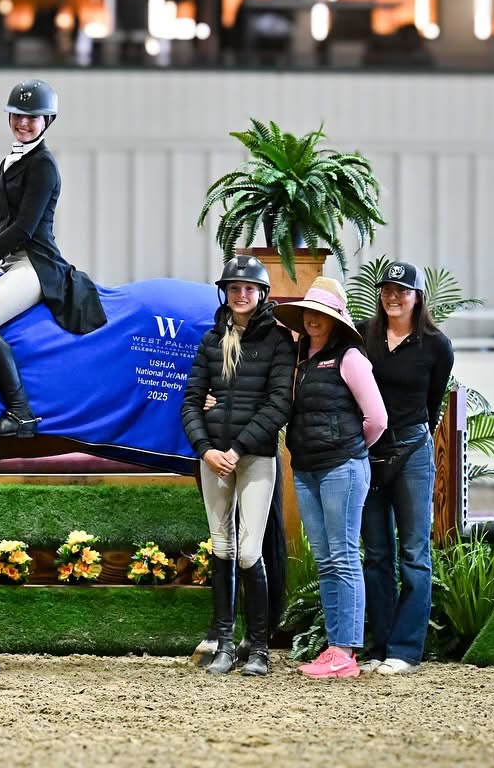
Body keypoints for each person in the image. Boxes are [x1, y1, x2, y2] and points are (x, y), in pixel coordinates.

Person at [0, 79, 107, 438]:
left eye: (31, 117)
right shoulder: (10, 161)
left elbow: (22, 229)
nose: (22, 123)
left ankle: (20, 412)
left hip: (35, 264)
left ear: (47, 120)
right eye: (17, 115)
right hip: (11, 261)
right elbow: (1, 225)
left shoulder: (43, 165)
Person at [180, 256, 295, 677]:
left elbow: (279, 403)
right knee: (221, 547)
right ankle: (225, 644)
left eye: (248, 289)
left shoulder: (279, 342)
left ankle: (259, 646)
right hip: (213, 458)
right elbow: (191, 401)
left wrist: (238, 448)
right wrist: (206, 449)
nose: (241, 294)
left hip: (255, 457)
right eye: (234, 288)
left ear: (262, 294)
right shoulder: (212, 341)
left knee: (249, 551)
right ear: (225, 294)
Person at [274, 276, 387, 679]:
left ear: (335, 319)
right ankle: (336, 647)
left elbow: (377, 419)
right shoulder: (300, 360)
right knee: (325, 559)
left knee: (343, 556)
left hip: (342, 467)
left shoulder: (350, 357)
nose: (312, 319)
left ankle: (345, 651)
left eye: (320, 313)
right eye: (308, 312)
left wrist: (349, 449)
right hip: (306, 469)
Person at [358, 262, 454, 676]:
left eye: (402, 290)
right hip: (368, 448)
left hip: (413, 448)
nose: (393, 297)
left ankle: (406, 649)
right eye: (387, 290)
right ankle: (379, 645)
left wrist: (411, 435)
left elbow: (433, 403)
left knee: (414, 552)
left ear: (417, 296)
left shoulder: (436, 345)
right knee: (377, 553)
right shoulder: (363, 335)